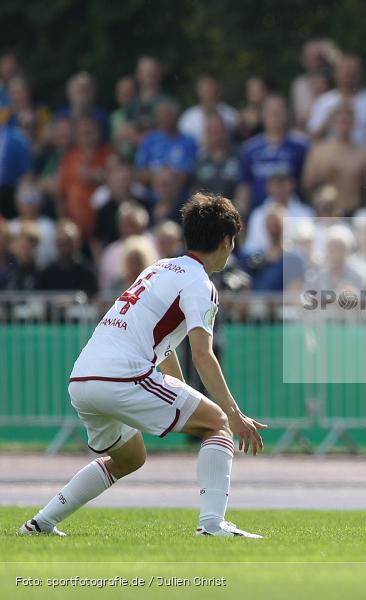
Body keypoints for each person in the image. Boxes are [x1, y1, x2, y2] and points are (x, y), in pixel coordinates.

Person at [18, 192, 266, 538]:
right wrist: (234, 413)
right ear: (226, 242)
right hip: (122, 378)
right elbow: (202, 355)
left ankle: (40, 523)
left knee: (130, 458)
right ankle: (212, 525)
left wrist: (180, 390)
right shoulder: (200, 284)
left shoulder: (159, 267)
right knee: (218, 424)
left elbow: (162, 343)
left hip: (83, 378)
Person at [236, 94, 309, 215]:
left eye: (279, 112)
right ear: (263, 116)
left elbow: (307, 184)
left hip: (292, 213)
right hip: (259, 215)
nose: (275, 117)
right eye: (271, 112)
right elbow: (244, 185)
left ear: (286, 115)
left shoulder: (301, 146)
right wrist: (241, 214)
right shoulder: (250, 149)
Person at [177, 74, 238, 148]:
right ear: (199, 92)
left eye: (212, 90)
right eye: (206, 91)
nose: (209, 94)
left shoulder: (231, 115)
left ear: (218, 91)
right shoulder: (188, 118)